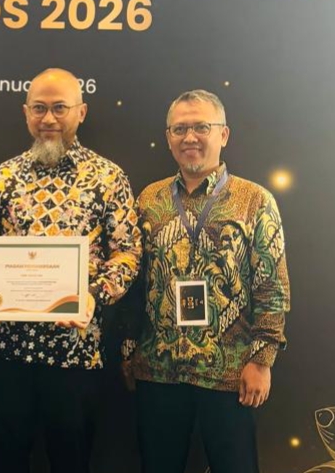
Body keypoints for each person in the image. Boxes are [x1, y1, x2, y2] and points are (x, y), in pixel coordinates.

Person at [0, 68, 141, 473]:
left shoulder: (108, 177)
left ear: (81, 112)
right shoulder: (4, 176)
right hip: (6, 349)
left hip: (75, 351)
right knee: (5, 461)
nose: (48, 119)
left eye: (59, 108)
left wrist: (93, 296)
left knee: (71, 462)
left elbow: (128, 252)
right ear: (25, 112)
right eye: (39, 109)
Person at [122, 89, 290, 473]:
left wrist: (262, 361)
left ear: (223, 134)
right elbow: (136, 281)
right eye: (179, 129)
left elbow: (272, 286)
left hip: (231, 372)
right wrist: (129, 350)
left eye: (201, 127)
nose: (190, 137)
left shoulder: (254, 200)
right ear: (168, 138)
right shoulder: (149, 199)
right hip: (159, 369)